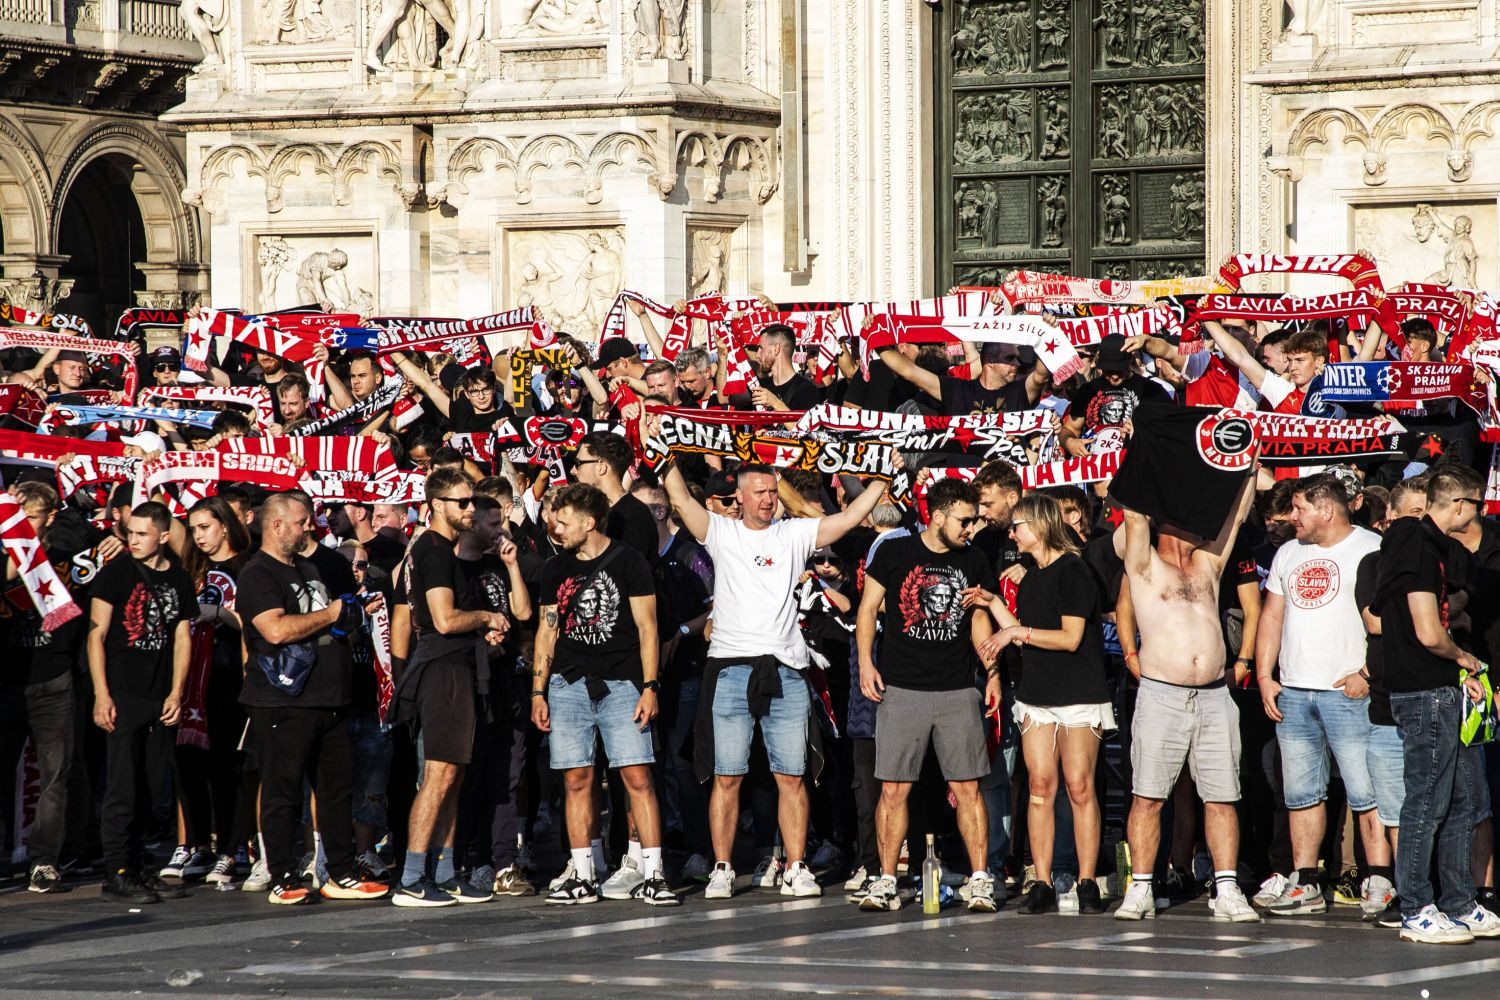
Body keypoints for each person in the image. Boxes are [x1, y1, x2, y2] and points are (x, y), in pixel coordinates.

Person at [655, 452, 886, 900]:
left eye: (772, 491)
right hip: (730, 668)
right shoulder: (721, 531)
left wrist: (883, 477)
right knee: (727, 776)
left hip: (786, 669)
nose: (766, 499)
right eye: (758, 492)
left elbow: (850, 518)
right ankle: (723, 868)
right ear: (738, 497)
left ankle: (796, 867)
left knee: (791, 775)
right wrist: (660, 450)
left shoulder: (793, 534)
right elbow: (680, 499)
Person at [1112, 471, 1261, 923]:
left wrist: (1249, 462)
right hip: (1162, 696)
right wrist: (1143, 451)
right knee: (1148, 796)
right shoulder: (1144, 563)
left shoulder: (1208, 563)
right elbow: (1133, 515)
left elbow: (1236, 515)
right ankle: (1140, 888)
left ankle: (1227, 888)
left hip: (1214, 696)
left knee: (1222, 796)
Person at [855, 478, 1000, 914]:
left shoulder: (974, 558)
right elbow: (868, 608)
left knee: (968, 787)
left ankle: (980, 879)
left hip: (957, 688)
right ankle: (886, 879)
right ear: (938, 516)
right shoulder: (895, 552)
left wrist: (991, 672)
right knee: (893, 788)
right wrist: (866, 662)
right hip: (902, 687)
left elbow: (978, 619)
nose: (971, 528)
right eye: (964, 520)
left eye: (974, 520)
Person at [236, 493, 389, 905]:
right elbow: (275, 630)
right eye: (302, 521)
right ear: (277, 526)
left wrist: (354, 614)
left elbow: (337, 620)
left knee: (336, 790)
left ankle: (341, 871)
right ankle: (282, 875)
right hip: (282, 698)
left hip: (330, 696)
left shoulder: (311, 568)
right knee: (283, 790)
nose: (310, 527)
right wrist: (332, 614)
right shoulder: (257, 573)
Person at [530, 484, 677, 906]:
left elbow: (648, 628)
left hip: (622, 685)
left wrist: (650, 686)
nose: (557, 528)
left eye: (564, 521)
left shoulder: (630, 561)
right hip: (568, 685)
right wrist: (539, 690)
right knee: (576, 778)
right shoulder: (555, 569)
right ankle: (583, 873)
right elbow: (547, 631)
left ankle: (654, 873)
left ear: (589, 522)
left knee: (637, 777)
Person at [968, 493, 1114, 915]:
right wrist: (994, 604)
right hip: (1037, 695)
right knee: (1039, 787)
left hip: (1078, 694)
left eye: (1018, 527)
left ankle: (1087, 880)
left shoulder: (1075, 570)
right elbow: (1023, 635)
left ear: (1039, 526)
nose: (1012, 534)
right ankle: (1043, 881)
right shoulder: (1031, 577)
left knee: (1080, 786)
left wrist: (1017, 633)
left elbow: (1069, 637)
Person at [1377, 466, 1500, 943]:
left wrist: (1457, 659)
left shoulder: (1430, 546)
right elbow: (1428, 632)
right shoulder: (1414, 540)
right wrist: (1464, 658)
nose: (1478, 515)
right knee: (1426, 803)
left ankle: (1458, 901)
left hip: (1443, 686)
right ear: (1460, 505)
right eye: (1477, 505)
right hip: (1424, 690)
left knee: (1464, 800)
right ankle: (1415, 908)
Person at [1254, 474, 1387, 916]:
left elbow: (1390, 620)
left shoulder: (1370, 548)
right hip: (1294, 692)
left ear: (1327, 510)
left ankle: (1380, 879)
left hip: (1347, 692)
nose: (1291, 517)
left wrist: (1367, 673)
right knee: (1301, 793)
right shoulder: (1289, 552)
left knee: (1366, 791)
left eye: (1299, 509)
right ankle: (1306, 881)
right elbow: (1272, 616)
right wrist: (1265, 675)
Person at [389, 468, 509, 906]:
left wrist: (480, 634)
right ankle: (411, 876)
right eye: (462, 502)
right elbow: (443, 620)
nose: (470, 509)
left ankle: (443, 871)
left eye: (472, 501)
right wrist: (486, 617)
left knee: (454, 775)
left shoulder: (440, 549)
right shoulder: (436, 551)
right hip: (442, 671)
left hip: (457, 667)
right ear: (437, 505)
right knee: (438, 775)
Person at [88, 501, 196, 904]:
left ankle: (136, 865)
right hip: (122, 692)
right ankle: (116, 870)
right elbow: (96, 635)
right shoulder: (115, 573)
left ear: (163, 536)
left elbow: (182, 637)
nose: (132, 540)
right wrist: (101, 694)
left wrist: (177, 692)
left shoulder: (180, 579)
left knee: (151, 785)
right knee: (122, 785)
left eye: (141, 534)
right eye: (130, 532)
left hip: (159, 695)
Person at [0, 482, 83, 894]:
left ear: (49, 517)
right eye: (14, 519)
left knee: (55, 776)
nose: (22, 526)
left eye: (29, 518)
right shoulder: (4, 559)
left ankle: (44, 860)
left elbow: (86, 531)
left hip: (54, 681)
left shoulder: (67, 557)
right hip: (8, 682)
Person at [166, 496, 251, 887]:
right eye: (194, 529)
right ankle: (198, 843)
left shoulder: (246, 566)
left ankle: (233, 848)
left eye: (205, 527)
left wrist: (220, 614)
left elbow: (258, 621)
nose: (199, 536)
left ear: (225, 525)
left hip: (229, 677)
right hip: (191, 682)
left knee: (226, 767)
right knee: (188, 764)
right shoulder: (190, 569)